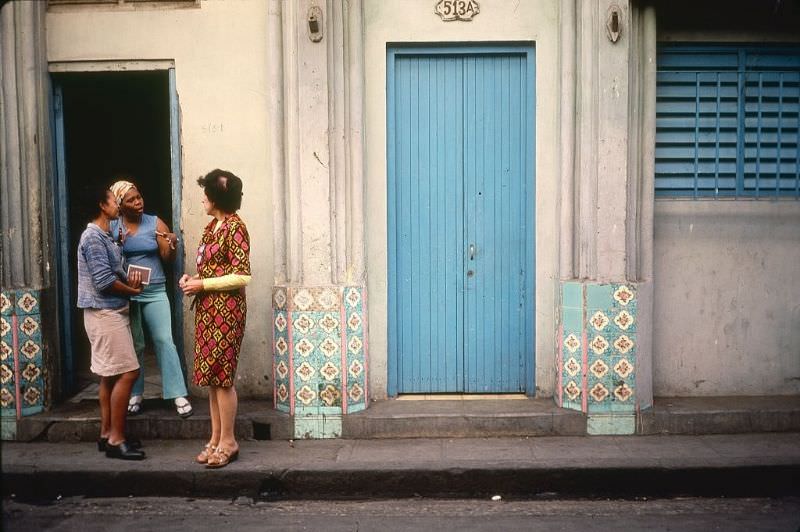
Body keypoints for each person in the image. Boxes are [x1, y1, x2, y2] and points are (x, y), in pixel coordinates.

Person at [180, 169, 251, 469]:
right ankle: (215, 437)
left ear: (218, 197)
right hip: (209, 310)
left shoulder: (236, 228)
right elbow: (214, 269)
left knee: (223, 377)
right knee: (211, 378)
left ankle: (229, 441)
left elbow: (242, 275)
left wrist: (203, 285)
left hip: (227, 311)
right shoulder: (213, 227)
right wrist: (194, 280)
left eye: (207, 193)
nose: (204, 198)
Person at [109, 180, 193, 419]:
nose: (138, 203)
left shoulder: (154, 222)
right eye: (131, 200)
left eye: (139, 197)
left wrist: (172, 244)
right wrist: (119, 244)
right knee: (135, 344)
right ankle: (136, 393)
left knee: (164, 339)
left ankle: (177, 393)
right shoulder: (114, 227)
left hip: (154, 290)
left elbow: (168, 257)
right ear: (120, 205)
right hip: (127, 292)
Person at [77, 184, 146, 460]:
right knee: (129, 372)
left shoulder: (105, 235)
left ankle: (107, 434)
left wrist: (128, 279)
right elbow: (104, 282)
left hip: (108, 312)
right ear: (102, 206)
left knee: (108, 376)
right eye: (111, 199)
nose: (117, 203)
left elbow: (111, 272)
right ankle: (117, 438)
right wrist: (133, 291)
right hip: (105, 313)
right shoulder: (92, 237)